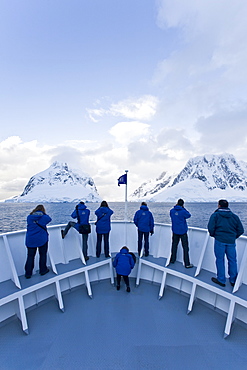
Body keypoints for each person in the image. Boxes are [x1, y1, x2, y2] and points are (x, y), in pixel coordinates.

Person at [207, 199, 244, 287]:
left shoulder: (215, 215)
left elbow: (210, 228)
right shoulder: (234, 217)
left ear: (219, 206)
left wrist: (214, 235)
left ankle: (221, 279)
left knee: (220, 260)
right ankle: (233, 280)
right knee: (232, 260)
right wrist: (233, 237)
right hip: (231, 242)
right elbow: (241, 230)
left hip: (219, 241)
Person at [25, 204, 52, 279]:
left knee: (30, 256)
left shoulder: (29, 217)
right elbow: (49, 219)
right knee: (43, 255)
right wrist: (43, 214)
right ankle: (43, 270)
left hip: (31, 240)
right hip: (42, 239)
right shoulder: (44, 217)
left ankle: (28, 273)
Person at [169, 199, 193, 268]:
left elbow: (172, 215)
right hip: (182, 231)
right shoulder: (183, 211)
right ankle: (187, 263)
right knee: (185, 248)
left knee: (174, 246)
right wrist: (183, 208)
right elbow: (188, 215)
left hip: (175, 231)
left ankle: (172, 259)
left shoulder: (172, 211)